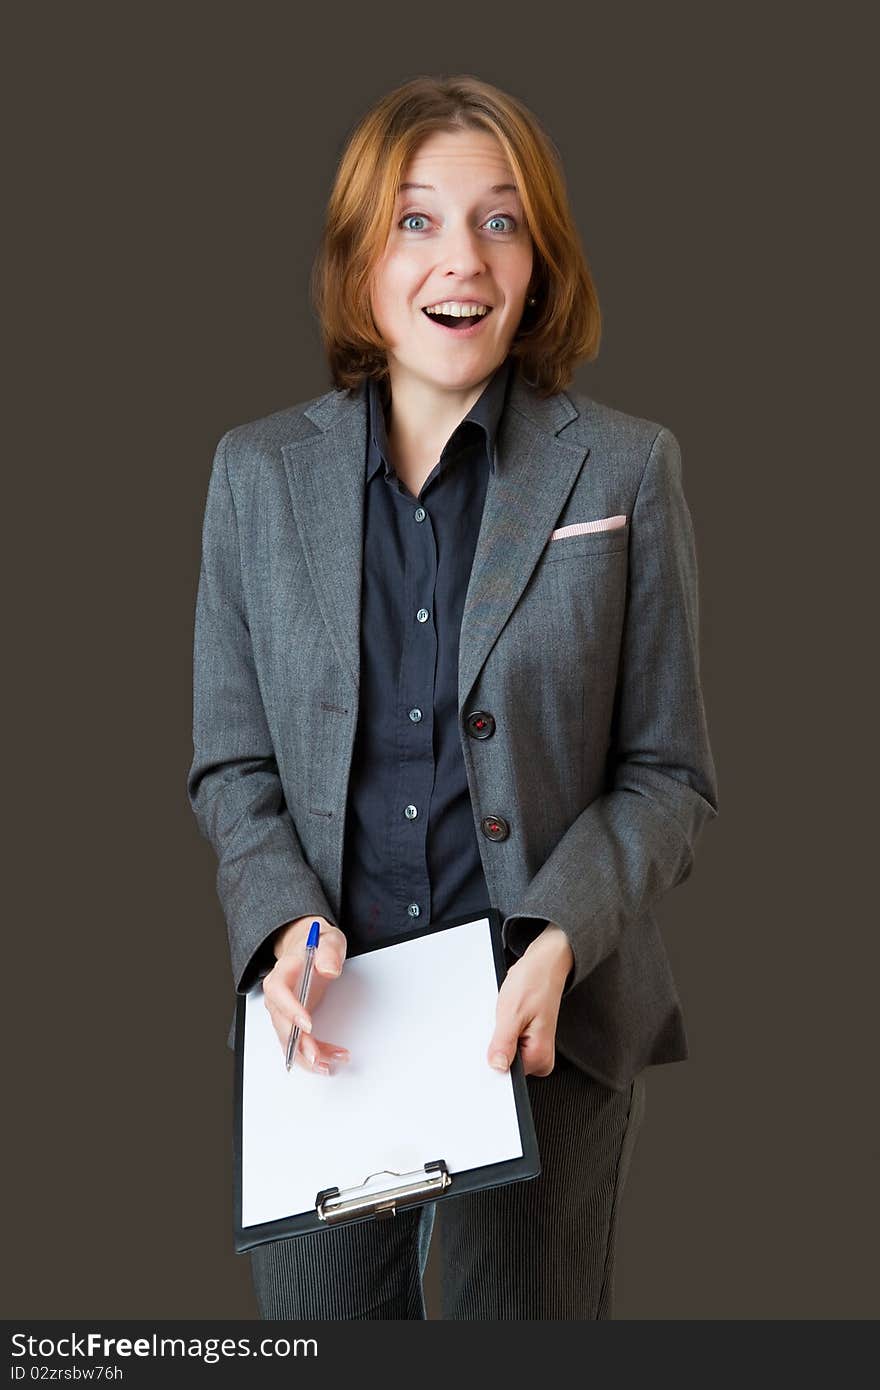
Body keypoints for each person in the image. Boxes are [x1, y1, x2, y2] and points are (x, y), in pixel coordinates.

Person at [187, 74, 718, 1320]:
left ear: (539, 261)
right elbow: (232, 762)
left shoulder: (627, 467)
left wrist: (557, 936)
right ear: (359, 258)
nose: (460, 258)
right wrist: (282, 926)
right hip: (327, 1024)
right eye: (415, 220)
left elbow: (666, 773)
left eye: (501, 219)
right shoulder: (255, 475)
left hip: (541, 1020)